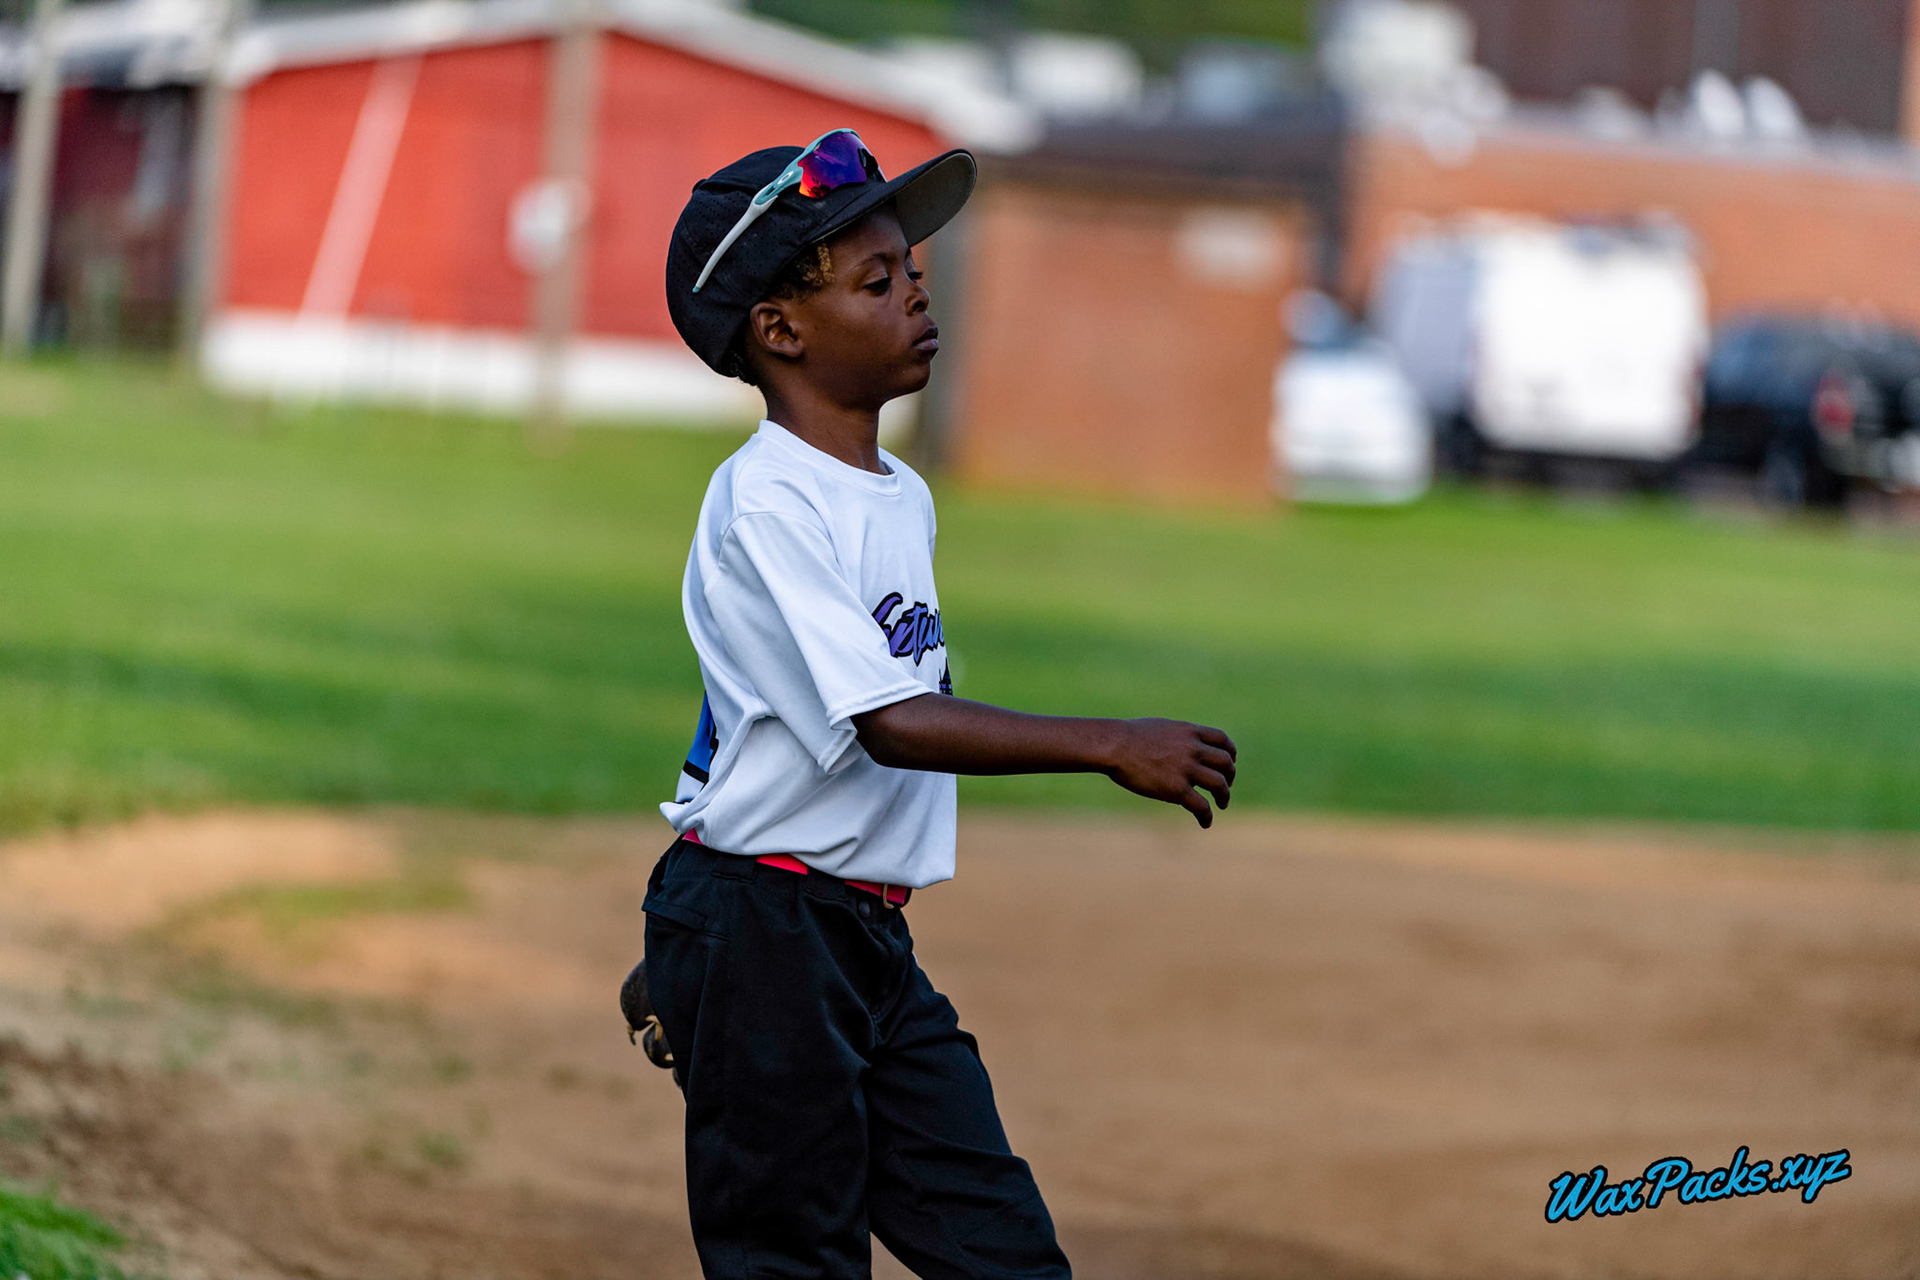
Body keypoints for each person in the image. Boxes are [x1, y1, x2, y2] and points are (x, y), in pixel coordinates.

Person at [648, 130, 1237, 1280]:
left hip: (851, 936)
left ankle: (689, 970)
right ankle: (696, 969)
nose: (918, 291)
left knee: (1002, 1248)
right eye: (878, 281)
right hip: (771, 931)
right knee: (794, 1256)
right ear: (780, 330)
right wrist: (1111, 742)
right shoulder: (768, 500)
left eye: (912, 270)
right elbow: (891, 720)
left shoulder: (898, 493)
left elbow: (768, 731)